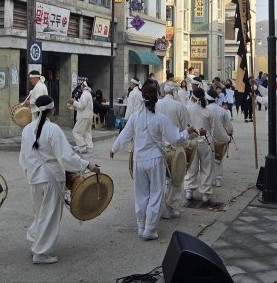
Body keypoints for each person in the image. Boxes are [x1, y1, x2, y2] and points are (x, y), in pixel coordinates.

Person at [19, 95, 101, 264]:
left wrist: (29, 173)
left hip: (34, 178)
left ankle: (35, 242)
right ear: (52, 110)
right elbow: (66, 157)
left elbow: (23, 157)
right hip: (52, 178)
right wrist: (87, 165)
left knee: (40, 213)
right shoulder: (54, 129)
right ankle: (41, 253)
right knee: (49, 215)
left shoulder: (26, 129)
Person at [112, 85, 195, 240]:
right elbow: (176, 139)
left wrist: (114, 149)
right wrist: (187, 132)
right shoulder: (160, 119)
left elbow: (125, 135)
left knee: (141, 193)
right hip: (155, 159)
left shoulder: (135, 117)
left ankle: (141, 225)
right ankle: (150, 228)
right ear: (156, 99)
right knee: (156, 193)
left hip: (139, 160)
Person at [156, 82, 191, 219]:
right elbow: (185, 128)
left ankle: (157, 207)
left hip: (158, 147)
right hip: (175, 147)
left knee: (158, 179)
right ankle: (171, 208)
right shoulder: (180, 106)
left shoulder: (157, 104)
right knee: (175, 178)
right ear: (175, 92)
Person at [184, 87, 222, 203]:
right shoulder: (209, 111)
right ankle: (205, 193)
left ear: (193, 96)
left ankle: (189, 190)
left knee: (191, 167)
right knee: (207, 168)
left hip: (192, 141)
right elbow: (214, 128)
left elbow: (185, 125)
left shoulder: (188, 108)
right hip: (206, 141)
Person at [206, 88, 233, 187]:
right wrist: (229, 134)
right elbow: (229, 127)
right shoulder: (223, 110)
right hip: (220, 139)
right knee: (218, 159)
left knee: (207, 160)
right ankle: (218, 179)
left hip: (207, 139)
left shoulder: (205, 110)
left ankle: (208, 179)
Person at [256, 76, 277, 159]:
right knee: (276, 138)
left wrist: (256, 97)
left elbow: (268, 101)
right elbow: (267, 93)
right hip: (275, 118)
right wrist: (257, 85)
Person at [71, 81, 94, 153]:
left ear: (84, 85)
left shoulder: (85, 94)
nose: (81, 85)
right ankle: (89, 147)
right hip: (88, 116)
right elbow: (83, 105)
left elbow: (82, 106)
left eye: (82, 84)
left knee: (76, 132)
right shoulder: (88, 94)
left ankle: (82, 147)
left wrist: (74, 102)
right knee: (87, 132)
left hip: (84, 116)